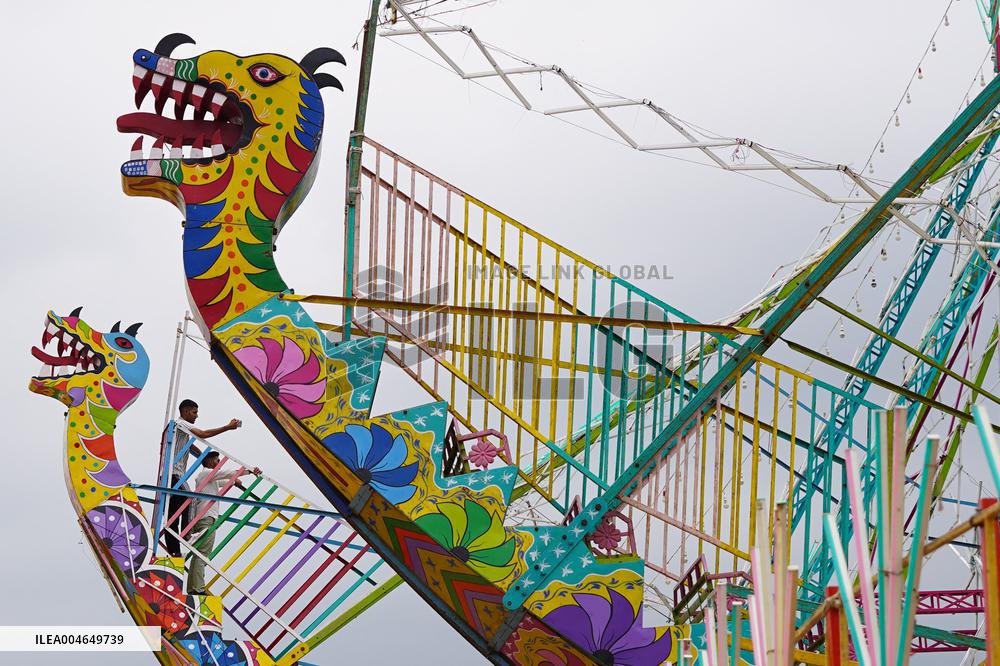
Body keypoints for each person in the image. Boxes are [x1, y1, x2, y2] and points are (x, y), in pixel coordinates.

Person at [164, 399, 242, 558]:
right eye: (194, 412)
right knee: (190, 498)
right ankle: (188, 534)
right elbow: (203, 434)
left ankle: (174, 551)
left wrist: (205, 459)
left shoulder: (179, 430)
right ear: (185, 412)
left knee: (173, 515)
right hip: (175, 473)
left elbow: (192, 448)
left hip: (170, 475)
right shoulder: (182, 423)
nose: (196, 416)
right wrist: (227, 427)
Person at [187, 451, 261, 595]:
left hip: (205, 517)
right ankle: (196, 589)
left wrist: (234, 481)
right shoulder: (206, 473)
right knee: (202, 553)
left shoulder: (208, 477)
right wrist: (249, 471)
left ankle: (195, 587)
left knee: (200, 553)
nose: (219, 463)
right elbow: (227, 473)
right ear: (209, 462)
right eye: (216, 460)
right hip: (206, 517)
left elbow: (225, 479)